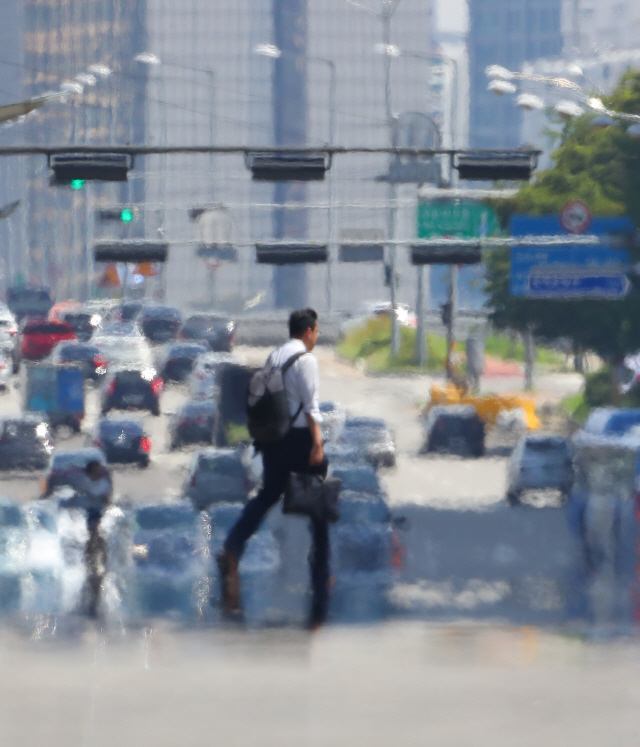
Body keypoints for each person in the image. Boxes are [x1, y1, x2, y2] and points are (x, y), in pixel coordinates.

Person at [217, 308, 329, 628]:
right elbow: (311, 407)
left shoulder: (275, 356)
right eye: (316, 332)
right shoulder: (306, 361)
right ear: (308, 331)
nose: (317, 337)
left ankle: (234, 544)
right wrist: (317, 444)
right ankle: (320, 586)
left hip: (272, 440)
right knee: (318, 512)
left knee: (268, 494)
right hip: (298, 440)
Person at [75, 459, 113, 618]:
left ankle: (94, 605)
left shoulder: (103, 483)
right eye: (96, 469)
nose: (99, 471)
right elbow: (80, 497)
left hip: (99, 515)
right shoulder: (86, 483)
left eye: (100, 469)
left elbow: (107, 500)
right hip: (92, 515)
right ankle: (89, 605)